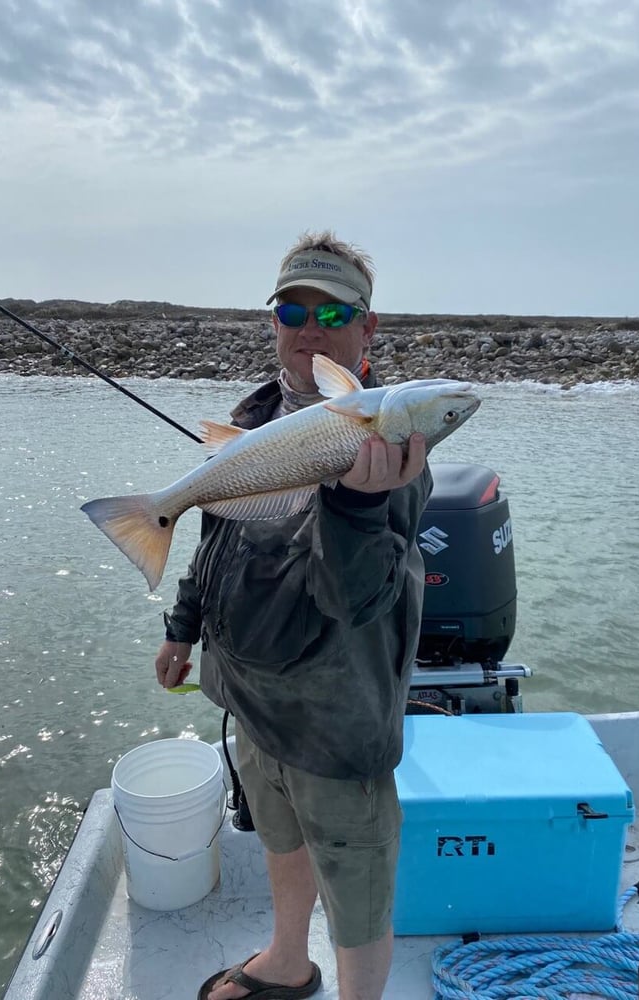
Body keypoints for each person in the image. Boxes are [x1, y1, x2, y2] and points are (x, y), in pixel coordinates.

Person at [155, 230, 432, 1000]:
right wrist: (183, 626)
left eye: (335, 309)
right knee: (279, 838)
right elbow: (216, 537)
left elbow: (357, 600)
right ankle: (286, 958)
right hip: (251, 694)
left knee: (357, 880)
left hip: (336, 713)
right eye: (291, 309)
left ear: (367, 327)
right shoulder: (255, 416)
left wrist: (355, 504)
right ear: (272, 320)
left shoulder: (395, 440)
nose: (311, 327)